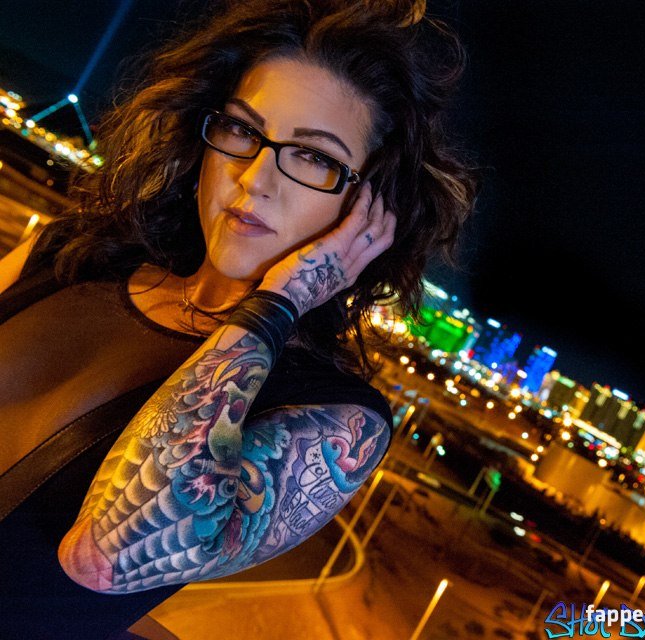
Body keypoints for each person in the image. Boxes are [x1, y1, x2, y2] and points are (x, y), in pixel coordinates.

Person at [0, 0, 478, 637]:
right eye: (242, 130)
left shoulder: (333, 414)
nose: (255, 179)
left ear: (369, 208)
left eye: (313, 158)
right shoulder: (72, 254)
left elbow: (107, 556)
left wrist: (279, 302)